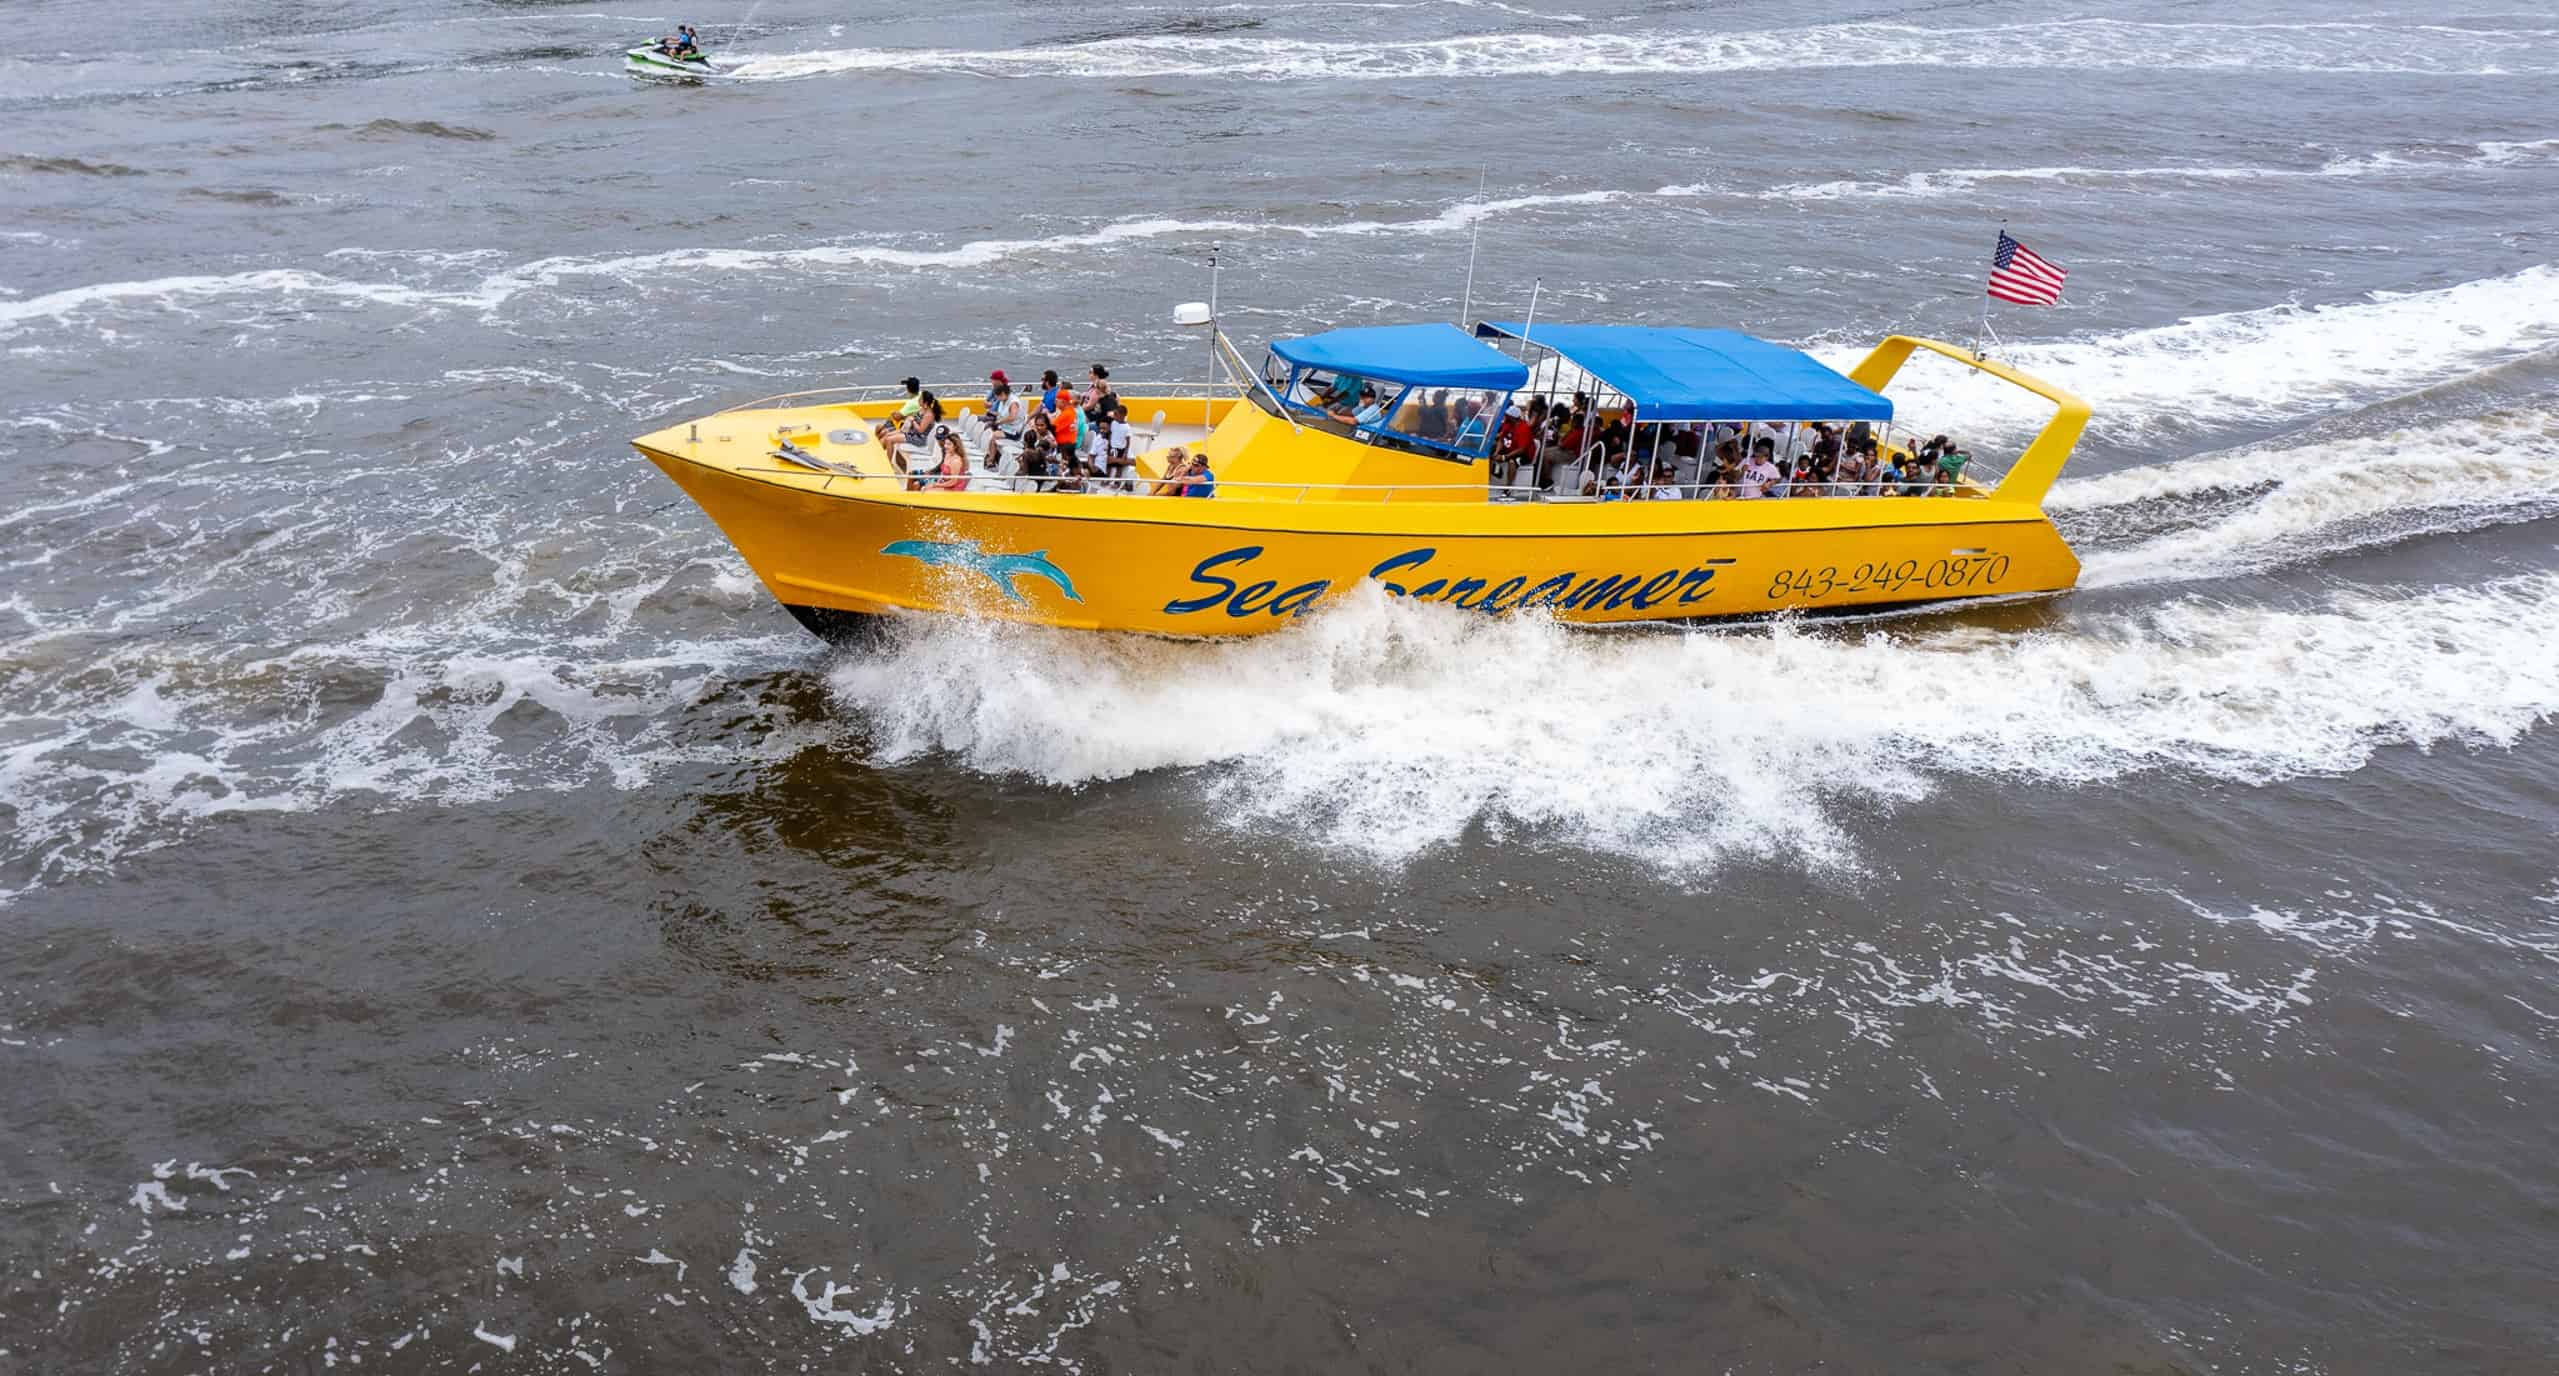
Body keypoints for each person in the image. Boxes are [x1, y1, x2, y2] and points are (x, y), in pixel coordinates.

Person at [988, 377, 1025, 442]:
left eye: (997, 397)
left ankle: (991, 452)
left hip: (1013, 431)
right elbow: (1002, 413)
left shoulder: (1013, 403)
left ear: (1002, 394)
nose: (997, 399)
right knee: (988, 428)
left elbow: (1012, 417)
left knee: (994, 435)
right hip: (1004, 427)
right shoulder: (1003, 400)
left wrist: (999, 422)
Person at [1106, 403, 1134, 485]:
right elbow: (1111, 434)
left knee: (1119, 467)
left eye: (1116, 414)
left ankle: (1116, 482)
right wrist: (1109, 445)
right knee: (1109, 465)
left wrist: (1125, 453)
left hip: (1120, 449)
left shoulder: (1127, 427)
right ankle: (1107, 479)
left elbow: (1128, 442)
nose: (1114, 416)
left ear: (1122, 415)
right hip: (1112, 447)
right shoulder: (1113, 423)